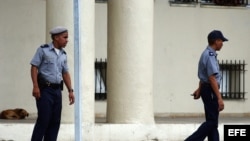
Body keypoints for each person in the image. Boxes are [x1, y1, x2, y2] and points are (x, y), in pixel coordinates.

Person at [30, 26, 75, 141]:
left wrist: (70, 90)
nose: (67, 40)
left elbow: (65, 73)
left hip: (57, 91)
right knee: (44, 120)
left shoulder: (63, 54)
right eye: (65, 37)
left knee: (55, 121)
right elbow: (34, 67)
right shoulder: (43, 50)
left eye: (67, 38)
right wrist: (35, 86)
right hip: (45, 89)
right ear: (56, 37)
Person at [185, 30, 228, 141]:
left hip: (206, 88)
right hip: (210, 90)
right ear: (215, 41)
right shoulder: (209, 55)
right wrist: (219, 98)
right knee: (212, 121)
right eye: (221, 41)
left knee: (212, 121)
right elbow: (211, 78)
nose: (222, 43)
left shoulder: (207, 54)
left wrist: (199, 89)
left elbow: (204, 76)